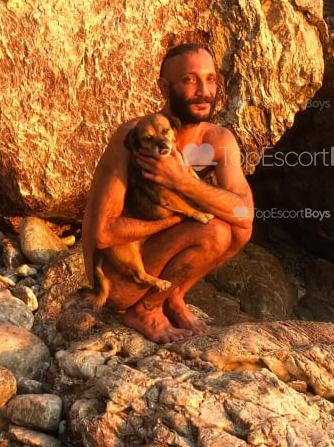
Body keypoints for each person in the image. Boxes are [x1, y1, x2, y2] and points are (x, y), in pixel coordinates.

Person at [82, 43, 254, 343]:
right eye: (189, 80)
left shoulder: (218, 140)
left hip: (157, 256)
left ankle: (172, 297)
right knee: (214, 230)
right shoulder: (132, 138)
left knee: (239, 229)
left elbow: (244, 214)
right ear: (164, 86)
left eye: (210, 79)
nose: (204, 91)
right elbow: (103, 235)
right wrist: (175, 220)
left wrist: (183, 182)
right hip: (119, 277)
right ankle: (146, 310)